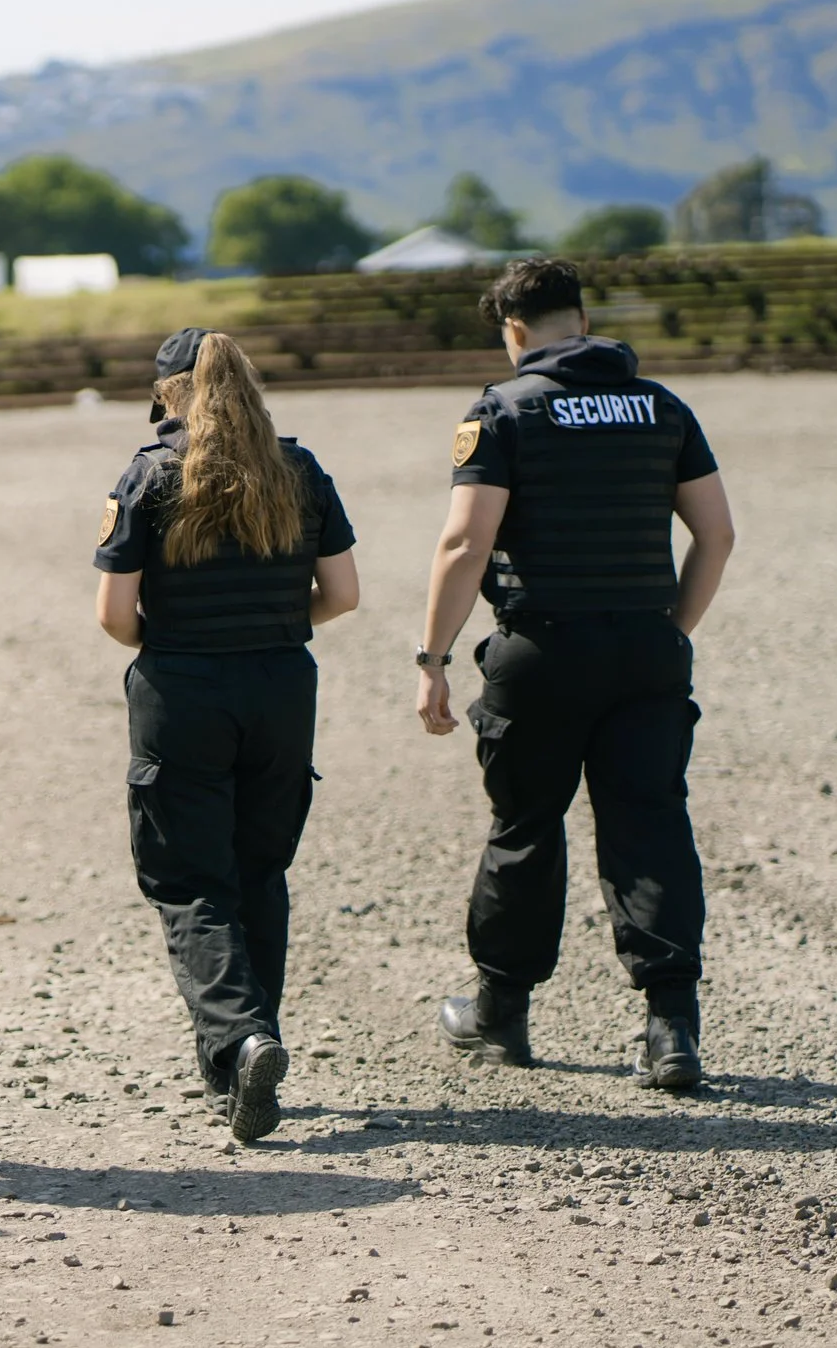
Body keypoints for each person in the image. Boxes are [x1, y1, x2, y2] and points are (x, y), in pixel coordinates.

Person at [415, 257, 734, 1091]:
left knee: (526, 825)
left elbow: (464, 543)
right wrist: (671, 632)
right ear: (583, 322)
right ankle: (671, 1030)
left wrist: (434, 657)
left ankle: (502, 1014)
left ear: (514, 333)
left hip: (542, 652)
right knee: (651, 824)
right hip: (644, 651)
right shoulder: (662, 406)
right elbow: (718, 534)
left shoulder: (503, 411)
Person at [93, 329, 360, 1141]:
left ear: (169, 396)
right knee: (260, 870)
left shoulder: (150, 472)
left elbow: (113, 615)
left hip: (184, 687)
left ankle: (240, 1041)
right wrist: (274, 626)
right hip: (282, 684)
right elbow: (342, 594)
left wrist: (183, 645)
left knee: (187, 880)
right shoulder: (299, 468)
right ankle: (254, 1045)